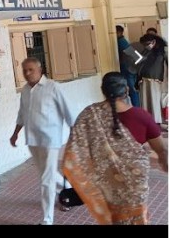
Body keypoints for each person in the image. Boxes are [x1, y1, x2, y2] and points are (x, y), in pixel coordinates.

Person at [62, 72, 167, 225]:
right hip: (134, 184)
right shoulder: (141, 116)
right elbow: (161, 149)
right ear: (127, 91)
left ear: (102, 90)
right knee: (136, 217)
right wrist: (164, 162)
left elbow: (76, 152)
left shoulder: (89, 115)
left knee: (114, 219)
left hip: (106, 185)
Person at [9, 57, 76, 225]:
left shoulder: (53, 87)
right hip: (32, 139)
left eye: (30, 69)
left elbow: (68, 111)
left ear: (40, 70)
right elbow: (21, 113)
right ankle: (68, 190)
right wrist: (15, 133)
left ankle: (47, 220)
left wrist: (75, 134)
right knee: (47, 174)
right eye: (24, 70)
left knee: (46, 180)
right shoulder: (25, 90)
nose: (27, 73)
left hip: (50, 140)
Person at [136, 33, 167, 126]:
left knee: (155, 102)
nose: (145, 46)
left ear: (153, 42)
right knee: (146, 102)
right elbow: (138, 64)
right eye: (144, 45)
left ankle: (157, 121)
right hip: (144, 81)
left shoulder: (164, 51)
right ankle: (149, 121)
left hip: (156, 81)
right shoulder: (145, 51)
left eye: (147, 44)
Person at [116, 25, 140, 107]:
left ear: (119, 32)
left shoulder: (121, 42)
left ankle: (136, 108)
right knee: (131, 90)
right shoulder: (123, 41)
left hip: (127, 69)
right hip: (129, 69)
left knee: (132, 90)